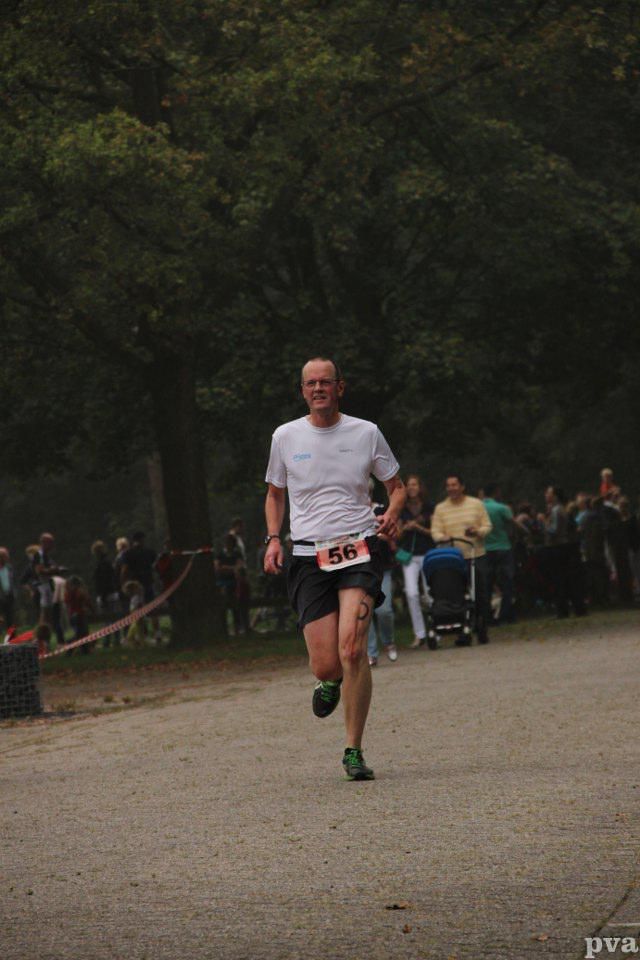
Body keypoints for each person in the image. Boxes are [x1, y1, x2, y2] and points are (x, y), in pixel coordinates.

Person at [263, 357, 405, 781]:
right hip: (308, 556)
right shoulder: (285, 437)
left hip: (360, 548)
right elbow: (274, 494)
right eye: (311, 383)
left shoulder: (365, 432)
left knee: (353, 649)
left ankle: (353, 750)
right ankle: (328, 682)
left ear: (340, 387)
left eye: (326, 381)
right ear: (302, 390)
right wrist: (273, 539)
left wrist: (392, 513)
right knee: (327, 664)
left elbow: (395, 487)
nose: (319, 388)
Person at [431, 474, 492, 644]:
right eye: (448, 485)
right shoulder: (440, 509)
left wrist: (477, 531)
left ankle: (481, 626)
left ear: (462, 486)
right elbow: (435, 531)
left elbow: (487, 526)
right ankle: (461, 629)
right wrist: (441, 537)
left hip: (475, 555)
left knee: (480, 594)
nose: (451, 488)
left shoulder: (476, 504)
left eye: (454, 485)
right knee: (455, 595)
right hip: (453, 559)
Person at [396, 475, 434, 648]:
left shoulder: (429, 507)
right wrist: (405, 527)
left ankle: (435, 630)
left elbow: (435, 532)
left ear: (420, 487)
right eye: (408, 485)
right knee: (411, 593)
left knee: (429, 592)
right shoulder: (401, 508)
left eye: (414, 484)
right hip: (409, 556)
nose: (411, 487)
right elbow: (396, 534)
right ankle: (419, 634)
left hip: (428, 553)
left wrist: (418, 527)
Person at [367, 501, 398, 666]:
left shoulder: (381, 509)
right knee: (365, 612)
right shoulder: (347, 510)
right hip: (361, 568)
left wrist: (383, 536)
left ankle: (389, 641)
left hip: (383, 567)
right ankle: (371, 652)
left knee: (384, 610)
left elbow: (393, 535)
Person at [482, 483, 516, 625]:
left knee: (487, 583)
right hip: (503, 547)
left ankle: (487, 616)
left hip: (485, 549)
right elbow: (512, 525)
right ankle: (505, 615)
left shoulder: (479, 508)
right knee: (507, 582)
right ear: (496, 492)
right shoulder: (502, 508)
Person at [120, 532, 162, 643]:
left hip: (135, 587)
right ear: (143, 539)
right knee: (152, 610)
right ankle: (157, 634)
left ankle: (143, 635)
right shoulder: (149, 552)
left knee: (138, 612)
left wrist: (123, 583)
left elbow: (124, 570)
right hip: (148, 583)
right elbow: (156, 566)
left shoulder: (128, 553)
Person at [91, 541, 121, 647]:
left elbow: (103, 581)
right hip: (112, 593)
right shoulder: (108, 562)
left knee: (107, 618)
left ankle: (108, 640)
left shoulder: (101, 564)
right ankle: (116, 639)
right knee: (114, 617)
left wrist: (102, 596)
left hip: (106, 595)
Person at [0, 548, 16, 629]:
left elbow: (12, 581)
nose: (7, 558)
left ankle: (12, 639)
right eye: (5, 556)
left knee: (10, 618)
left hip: (9, 596)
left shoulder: (9, 568)